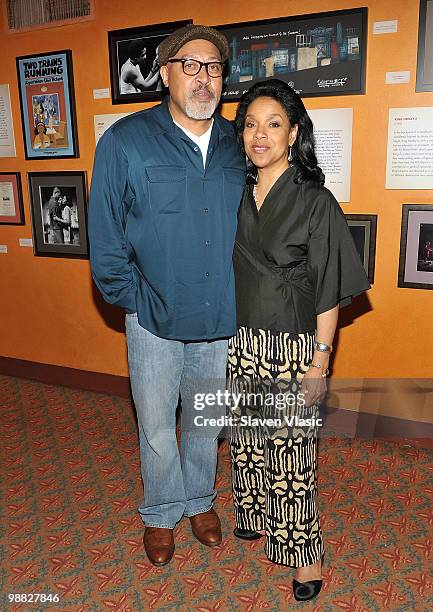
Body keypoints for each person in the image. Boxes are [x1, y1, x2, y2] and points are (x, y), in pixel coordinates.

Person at [88, 24, 244, 567]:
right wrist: (131, 299)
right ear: (166, 72)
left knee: (205, 422)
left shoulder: (236, 143)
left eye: (214, 67)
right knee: (156, 425)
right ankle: (161, 512)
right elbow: (104, 236)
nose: (204, 78)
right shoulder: (125, 141)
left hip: (221, 316)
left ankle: (200, 500)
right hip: (152, 316)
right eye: (191, 65)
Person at [228, 79, 370, 602]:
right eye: (249, 124)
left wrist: (320, 361)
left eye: (272, 124)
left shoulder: (316, 201)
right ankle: (254, 512)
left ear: (293, 133)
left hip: (293, 346)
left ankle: (305, 555)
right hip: (241, 339)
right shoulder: (236, 192)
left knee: (291, 455)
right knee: (247, 439)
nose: (258, 135)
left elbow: (330, 285)